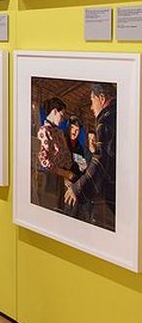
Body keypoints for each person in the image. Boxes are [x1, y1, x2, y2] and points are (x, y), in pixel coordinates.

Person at [64, 84, 116, 231]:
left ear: (102, 98)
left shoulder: (106, 120)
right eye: (72, 128)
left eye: (92, 101)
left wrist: (78, 188)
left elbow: (100, 161)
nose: (92, 108)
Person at [36, 97, 73, 212]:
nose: (63, 119)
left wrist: (67, 173)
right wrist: (61, 172)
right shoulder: (44, 131)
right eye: (62, 115)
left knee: (62, 209)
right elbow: (43, 160)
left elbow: (66, 154)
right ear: (55, 111)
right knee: (50, 209)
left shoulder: (59, 132)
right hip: (50, 179)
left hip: (63, 179)